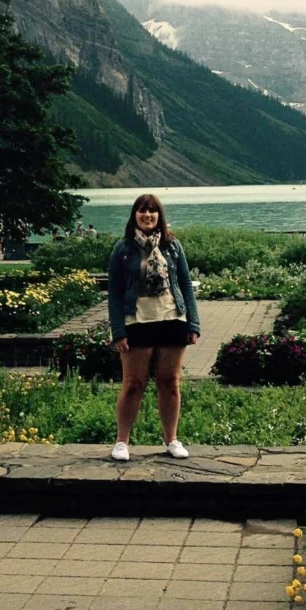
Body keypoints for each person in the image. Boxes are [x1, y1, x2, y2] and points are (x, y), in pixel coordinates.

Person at [107, 194, 201, 462]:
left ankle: (171, 439)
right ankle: (122, 442)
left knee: (170, 384)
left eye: (152, 211)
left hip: (172, 320)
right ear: (134, 215)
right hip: (136, 323)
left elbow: (185, 284)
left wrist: (193, 323)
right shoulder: (122, 249)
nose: (147, 215)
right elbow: (114, 292)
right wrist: (118, 331)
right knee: (133, 384)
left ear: (160, 216)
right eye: (142, 210)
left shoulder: (173, 246)